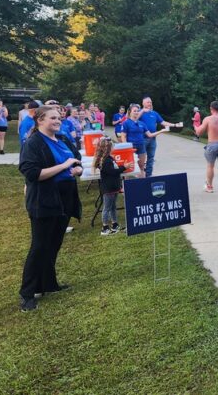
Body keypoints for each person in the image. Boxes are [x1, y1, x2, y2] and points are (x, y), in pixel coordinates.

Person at [18, 106, 83, 312]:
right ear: (40, 121)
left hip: (64, 201)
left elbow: (76, 158)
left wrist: (77, 168)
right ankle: (27, 294)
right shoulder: (34, 143)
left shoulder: (62, 139)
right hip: (44, 201)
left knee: (54, 244)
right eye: (53, 118)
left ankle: (48, 284)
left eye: (59, 118)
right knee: (39, 247)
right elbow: (33, 174)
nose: (58, 121)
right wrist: (65, 166)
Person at [92, 136, 133, 235]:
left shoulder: (110, 159)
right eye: (113, 147)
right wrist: (124, 167)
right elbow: (113, 172)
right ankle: (105, 228)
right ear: (109, 148)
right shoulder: (106, 161)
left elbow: (114, 169)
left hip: (114, 187)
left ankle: (115, 225)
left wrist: (122, 166)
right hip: (109, 188)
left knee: (113, 207)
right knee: (107, 208)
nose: (114, 148)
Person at [194, 100, 218, 193]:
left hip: (212, 145)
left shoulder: (208, 119)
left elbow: (199, 132)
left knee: (210, 166)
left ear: (211, 109)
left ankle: (210, 187)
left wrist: (196, 127)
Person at [121, 104, 169, 177]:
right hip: (130, 148)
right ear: (130, 112)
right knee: (128, 168)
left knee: (141, 167)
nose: (136, 112)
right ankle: (127, 186)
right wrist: (126, 147)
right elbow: (123, 136)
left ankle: (142, 184)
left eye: (137, 111)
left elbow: (149, 135)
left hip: (141, 147)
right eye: (134, 111)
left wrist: (161, 131)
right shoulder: (126, 123)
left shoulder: (142, 123)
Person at [137, 96, 179, 177]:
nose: (150, 103)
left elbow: (163, 122)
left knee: (151, 158)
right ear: (143, 103)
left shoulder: (154, 113)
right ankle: (140, 176)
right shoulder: (139, 112)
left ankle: (148, 175)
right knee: (141, 159)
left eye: (151, 102)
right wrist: (142, 111)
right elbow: (134, 119)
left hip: (153, 139)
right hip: (143, 139)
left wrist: (174, 125)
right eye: (148, 102)